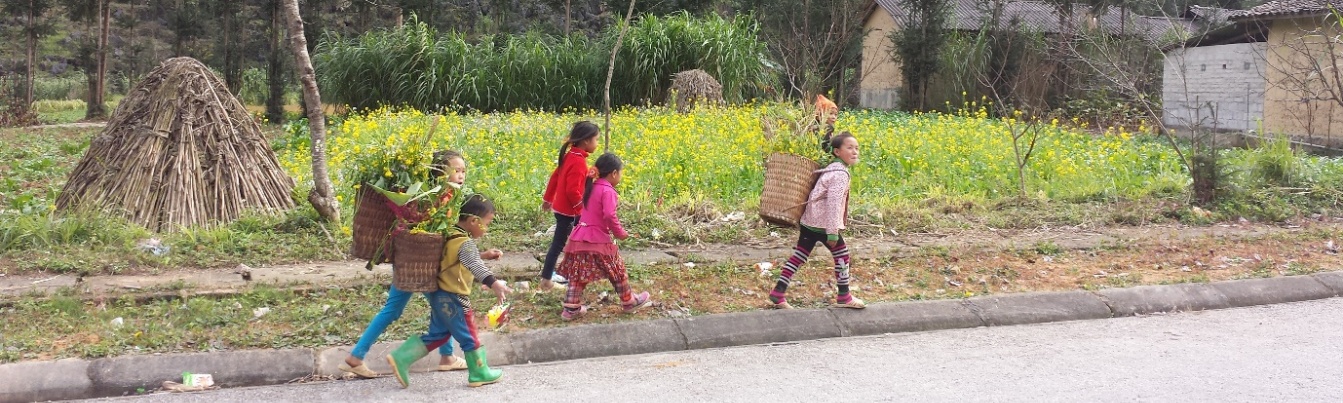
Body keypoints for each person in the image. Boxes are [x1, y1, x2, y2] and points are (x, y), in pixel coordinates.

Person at [338, 151, 502, 379]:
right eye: (455, 170)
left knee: (440, 307)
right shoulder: (430, 199)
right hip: (415, 265)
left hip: (427, 266)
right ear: (439, 172)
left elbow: (450, 247)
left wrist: (480, 255)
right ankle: (355, 358)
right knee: (399, 309)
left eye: (463, 170)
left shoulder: (448, 198)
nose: (461, 175)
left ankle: (446, 357)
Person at [387, 194, 512, 388]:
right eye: (486, 224)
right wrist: (495, 283)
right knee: (469, 334)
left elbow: (457, 259)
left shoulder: (450, 232)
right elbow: (475, 266)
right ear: (473, 221)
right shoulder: (466, 243)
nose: (486, 229)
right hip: (453, 297)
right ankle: (479, 372)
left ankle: (402, 357)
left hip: (439, 293)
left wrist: (483, 255)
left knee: (439, 334)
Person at [768, 131, 866, 310]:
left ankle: (778, 293)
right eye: (849, 148)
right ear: (837, 152)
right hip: (823, 225)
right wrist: (832, 232)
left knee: (799, 256)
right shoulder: (840, 174)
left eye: (857, 148)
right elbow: (834, 204)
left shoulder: (831, 168)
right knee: (842, 256)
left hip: (809, 221)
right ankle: (844, 296)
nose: (855, 152)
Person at [555, 153, 652, 320]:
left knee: (578, 274)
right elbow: (609, 215)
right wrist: (620, 233)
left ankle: (571, 309)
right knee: (617, 271)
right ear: (614, 173)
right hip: (598, 239)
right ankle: (629, 301)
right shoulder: (608, 191)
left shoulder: (590, 187)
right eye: (620, 173)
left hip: (579, 237)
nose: (620, 176)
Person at [540, 121, 600, 291]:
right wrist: (581, 208)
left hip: (563, 209)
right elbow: (572, 190)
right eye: (596, 139)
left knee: (574, 240)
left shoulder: (571, 155)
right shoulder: (578, 161)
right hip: (569, 212)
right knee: (561, 244)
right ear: (586, 141)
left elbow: (556, 177)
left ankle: (569, 272)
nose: (597, 143)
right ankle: (547, 280)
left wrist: (548, 198)